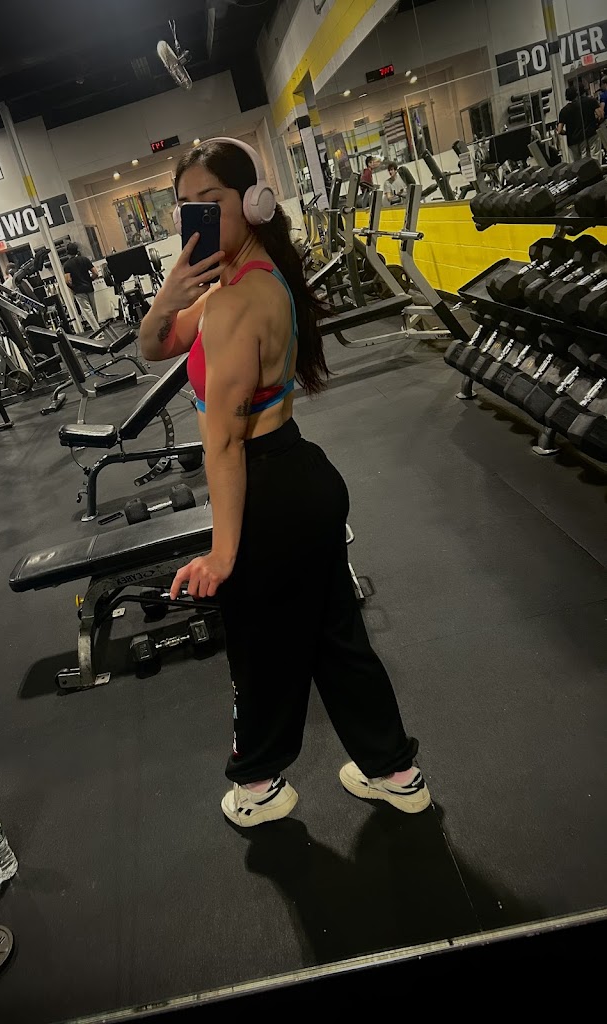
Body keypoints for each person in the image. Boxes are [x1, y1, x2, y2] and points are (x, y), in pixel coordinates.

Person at [139, 138, 430, 827]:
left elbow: (223, 444)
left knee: (260, 648)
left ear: (252, 202)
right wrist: (168, 296)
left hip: (267, 486)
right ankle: (395, 771)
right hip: (299, 476)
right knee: (334, 636)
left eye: (210, 201)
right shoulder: (236, 281)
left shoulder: (238, 302)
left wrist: (223, 554)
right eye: (184, 207)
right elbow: (156, 345)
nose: (196, 217)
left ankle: (260, 785)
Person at [63, 241, 100, 332]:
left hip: (79, 290)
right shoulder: (85, 259)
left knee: (87, 311)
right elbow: (96, 273)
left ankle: (98, 331)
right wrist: (90, 280)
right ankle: (99, 329)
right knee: (94, 310)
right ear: (77, 250)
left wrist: (74, 288)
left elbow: (68, 281)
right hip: (89, 287)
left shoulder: (67, 265)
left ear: (67, 252)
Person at [557, 85, 600, 162]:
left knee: (577, 162)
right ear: (576, 94)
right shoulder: (584, 104)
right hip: (586, 135)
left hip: (572, 140)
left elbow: (559, 130)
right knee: (590, 157)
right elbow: (599, 115)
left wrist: (567, 133)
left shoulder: (564, 111)